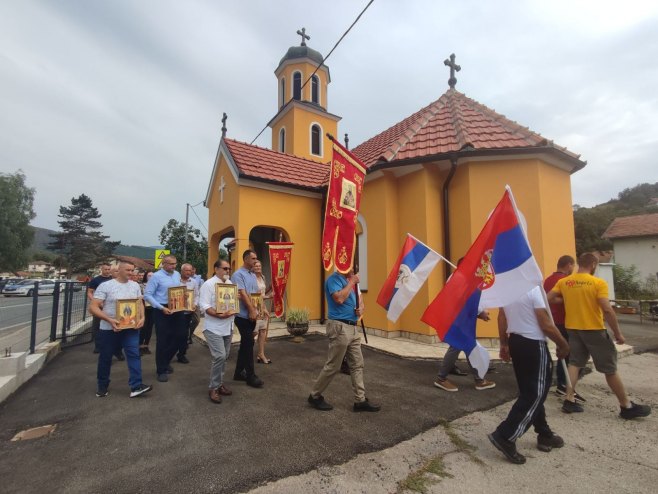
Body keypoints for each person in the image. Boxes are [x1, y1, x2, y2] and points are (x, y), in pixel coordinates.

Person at [548, 253, 651, 419]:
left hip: (573, 328)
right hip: (593, 329)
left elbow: (549, 298)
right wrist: (618, 333)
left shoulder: (565, 282)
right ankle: (626, 405)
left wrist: (566, 299)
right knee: (609, 368)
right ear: (594, 264)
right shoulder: (597, 283)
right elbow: (607, 309)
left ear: (579, 264)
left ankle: (569, 399)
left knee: (574, 363)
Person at [488, 286, 570, 464]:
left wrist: (504, 343)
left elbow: (501, 317)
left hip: (516, 341)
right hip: (533, 343)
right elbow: (545, 324)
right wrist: (563, 344)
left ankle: (544, 432)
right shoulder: (534, 289)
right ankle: (506, 434)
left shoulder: (509, 289)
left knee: (530, 390)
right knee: (535, 392)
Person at [308, 268, 380, 412]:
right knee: (334, 365)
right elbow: (339, 298)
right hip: (339, 326)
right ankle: (314, 396)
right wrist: (352, 281)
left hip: (352, 328)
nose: (354, 269)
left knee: (357, 364)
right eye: (351, 266)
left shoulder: (350, 281)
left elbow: (359, 301)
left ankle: (360, 400)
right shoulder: (333, 279)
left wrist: (361, 308)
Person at [89, 260, 152, 398]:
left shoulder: (135, 285)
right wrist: (109, 320)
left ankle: (136, 386)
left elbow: (139, 302)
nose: (131, 273)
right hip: (108, 329)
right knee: (105, 357)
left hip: (130, 328)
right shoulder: (105, 286)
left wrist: (142, 318)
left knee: (134, 355)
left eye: (132, 270)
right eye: (128, 270)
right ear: (119, 270)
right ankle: (102, 386)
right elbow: (93, 307)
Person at [543, 255, 584, 400]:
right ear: (568, 265)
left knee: (563, 351)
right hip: (565, 321)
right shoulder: (565, 281)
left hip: (553, 320)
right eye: (573, 266)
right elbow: (552, 297)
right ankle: (564, 384)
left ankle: (562, 383)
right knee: (570, 353)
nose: (573, 269)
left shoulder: (548, 279)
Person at [200, 259, 236, 403]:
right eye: (225, 268)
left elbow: (232, 303)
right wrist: (218, 314)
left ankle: (220, 384)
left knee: (225, 356)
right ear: (216, 269)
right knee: (219, 356)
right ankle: (213, 387)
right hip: (213, 327)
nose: (227, 271)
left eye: (229, 269)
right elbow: (204, 305)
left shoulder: (230, 284)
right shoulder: (208, 284)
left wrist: (236, 302)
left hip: (228, 326)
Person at [433, 310, 496, 392]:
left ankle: (479, 380)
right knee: (457, 347)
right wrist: (479, 312)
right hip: (462, 319)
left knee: (468, 346)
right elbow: (467, 300)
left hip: (462, 318)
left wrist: (478, 313)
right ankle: (441, 379)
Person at [144, 255, 183, 383]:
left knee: (179, 337)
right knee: (163, 340)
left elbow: (178, 290)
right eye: (171, 264)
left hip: (177, 307)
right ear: (164, 263)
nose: (174, 266)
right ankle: (161, 370)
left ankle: (165, 360)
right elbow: (148, 295)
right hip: (161, 310)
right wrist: (161, 308)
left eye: (175, 263)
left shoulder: (177, 274)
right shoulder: (156, 276)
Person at [231, 250, 264, 388]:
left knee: (247, 344)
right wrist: (251, 310)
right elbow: (242, 293)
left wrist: (260, 310)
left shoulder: (252, 275)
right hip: (242, 316)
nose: (256, 261)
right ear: (245, 259)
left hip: (253, 314)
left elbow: (255, 295)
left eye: (256, 258)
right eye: (253, 258)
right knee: (249, 342)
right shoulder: (238, 275)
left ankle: (238, 373)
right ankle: (251, 375)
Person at [88, 262, 123, 361]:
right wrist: (96, 302)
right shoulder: (96, 280)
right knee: (98, 327)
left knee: (117, 328)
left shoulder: (114, 280)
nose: (107, 271)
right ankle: (98, 346)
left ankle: (117, 351)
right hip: (99, 307)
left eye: (109, 269)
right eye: (105, 269)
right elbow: (90, 292)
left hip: (113, 308)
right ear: (101, 269)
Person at [176, 263, 199, 364]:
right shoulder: (175, 281)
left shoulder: (193, 282)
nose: (189, 272)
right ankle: (171, 352)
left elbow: (197, 295)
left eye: (190, 271)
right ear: (181, 271)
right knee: (175, 334)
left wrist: (194, 304)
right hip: (176, 312)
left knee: (184, 334)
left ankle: (181, 354)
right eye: (186, 270)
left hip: (187, 312)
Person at [252, 260, 273, 364]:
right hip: (255, 307)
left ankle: (261, 354)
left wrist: (271, 287)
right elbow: (254, 295)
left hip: (263, 306)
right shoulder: (251, 278)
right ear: (252, 267)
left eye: (259, 265)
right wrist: (268, 297)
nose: (258, 267)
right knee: (254, 332)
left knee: (263, 331)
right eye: (256, 266)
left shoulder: (263, 277)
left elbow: (264, 292)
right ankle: (245, 351)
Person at [139, 271, 154, 355]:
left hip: (152, 309)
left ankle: (146, 346)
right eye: (149, 275)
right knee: (143, 328)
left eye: (152, 276)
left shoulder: (156, 286)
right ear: (146, 276)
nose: (151, 277)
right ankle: (140, 346)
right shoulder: (140, 285)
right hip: (143, 308)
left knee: (149, 328)